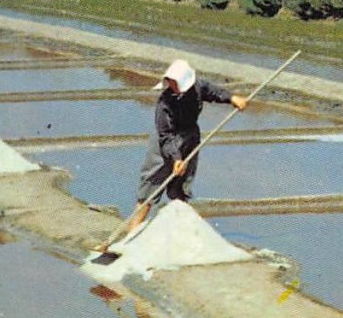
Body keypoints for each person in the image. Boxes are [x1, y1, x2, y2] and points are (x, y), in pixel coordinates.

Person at [95, 59, 247, 253]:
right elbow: (166, 135)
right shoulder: (165, 101)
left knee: (181, 189)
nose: (171, 86)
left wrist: (232, 98)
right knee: (150, 187)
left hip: (189, 136)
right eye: (170, 82)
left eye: (174, 83)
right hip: (165, 142)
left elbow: (214, 92)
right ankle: (130, 238)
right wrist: (176, 158)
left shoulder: (197, 87)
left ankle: (178, 237)